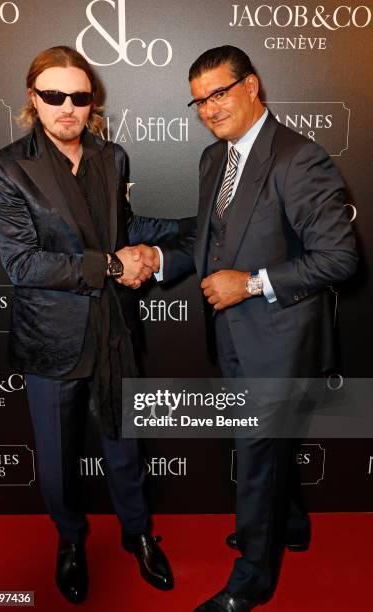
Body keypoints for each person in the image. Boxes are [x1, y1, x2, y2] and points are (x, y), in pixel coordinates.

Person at [0, 45, 180, 605]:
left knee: (126, 444)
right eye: (53, 95)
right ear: (32, 98)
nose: (67, 107)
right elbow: (23, 264)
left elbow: (120, 225)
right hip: (51, 337)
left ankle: (138, 534)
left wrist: (190, 229)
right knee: (57, 458)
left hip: (114, 325)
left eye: (79, 96)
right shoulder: (5, 167)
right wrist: (115, 264)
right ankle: (70, 542)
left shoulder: (111, 157)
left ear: (91, 102)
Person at [161, 45, 358, 611]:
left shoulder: (300, 158)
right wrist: (157, 254)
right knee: (267, 451)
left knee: (255, 459)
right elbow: (210, 236)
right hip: (231, 337)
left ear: (252, 86)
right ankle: (288, 526)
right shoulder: (212, 159)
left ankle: (251, 577)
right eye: (199, 101)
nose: (209, 110)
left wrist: (248, 284)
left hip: (281, 340)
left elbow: (340, 257)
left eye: (219, 94)